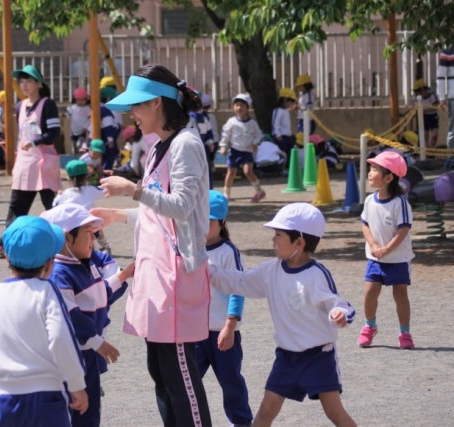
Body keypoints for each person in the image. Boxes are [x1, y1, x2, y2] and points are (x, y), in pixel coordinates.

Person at [94, 64, 213, 427]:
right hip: (156, 275)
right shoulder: (160, 146)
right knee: (160, 373)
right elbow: (156, 215)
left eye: (138, 106)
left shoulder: (185, 145)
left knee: (180, 376)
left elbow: (181, 207)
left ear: (158, 103)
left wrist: (131, 189)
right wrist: (119, 214)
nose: (133, 114)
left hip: (174, 277)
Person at [208, 203, 357, 427]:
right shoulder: (270, 270)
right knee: (266, 411)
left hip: (319, 356)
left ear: (300, 241)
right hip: (286, 358)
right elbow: (238, 282)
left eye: (278, 235)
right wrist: (205, 269)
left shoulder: (316, 275)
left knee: (334, 412)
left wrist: (340, 313)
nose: (273, 240)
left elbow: (339, 304)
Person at [0, 215, 89, 426]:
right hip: (47, 396)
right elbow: (60, 338)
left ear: (7, 257)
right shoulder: (47, 291)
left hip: (4, 398)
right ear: (49, 263)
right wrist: (76, 384)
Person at [40, 203, 132, 427]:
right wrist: (97, 341)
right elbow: (70, 315)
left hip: (87, 353)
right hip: (70, 354)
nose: (93, 239)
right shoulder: (59, 273)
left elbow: (101, 295)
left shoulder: (84, 264)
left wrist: (124, 275)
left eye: (94, 233)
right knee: (73, 411)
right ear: (66, 238)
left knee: (89, 412)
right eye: (88, 234)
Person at [0, 64, 62, 256]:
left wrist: (36, 141)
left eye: (28, 80)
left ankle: (69, 240)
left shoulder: (48, 104)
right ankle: (6, 242)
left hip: (44, 162)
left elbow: (54, 133)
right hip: (24, 163)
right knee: (17, 205)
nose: (24, 84)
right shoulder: (19, 106)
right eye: (21, 81)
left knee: (52, 205)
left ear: (38, 83)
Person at [195, 190, 253, 426]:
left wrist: (230, 325)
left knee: (231, 383)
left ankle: (240, 422)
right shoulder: (191, 250)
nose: (203, 225)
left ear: (222, 222)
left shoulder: (229, 252)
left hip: (222, 333)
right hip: (194, 333)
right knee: (188, 382)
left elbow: (238, 289)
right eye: (199, 218)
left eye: (209, 220)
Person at [357, 151, 415, 350]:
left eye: (375, 170)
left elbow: (404, 229)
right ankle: (369, 326)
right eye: (371, 168)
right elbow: (365, 224)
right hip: (375, 259)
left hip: (398, 259)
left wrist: (388, 249)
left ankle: (405, 332)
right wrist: (374, 245)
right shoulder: (369, 200)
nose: (370, 173)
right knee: (370, 293)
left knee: (400, 295)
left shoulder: (400, 203)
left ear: (389, 178)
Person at [54, 159, 111, 253]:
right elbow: (105, 192)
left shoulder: (66, 193)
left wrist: (58, 195)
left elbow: (56, 205)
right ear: (86, 176)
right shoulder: (91, 189)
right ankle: (105, 246)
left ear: (69, 178)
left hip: (72, 226)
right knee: (97, 225)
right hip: (90, 223)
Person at [219, 93, 265, 202]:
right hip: (235, 151)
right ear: (233, 107)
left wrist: (255, 143)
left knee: (248, 171)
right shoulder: (231, 122)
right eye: (237, 105)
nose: (239, 108)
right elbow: (226, 135)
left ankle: (259, 191)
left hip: (247, 151)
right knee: (231, 172)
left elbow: (259, 134)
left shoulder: (252, 123)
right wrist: (223, 146)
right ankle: (226, 193)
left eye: (242, 105)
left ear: (247, 108)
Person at [188, 98, 215, 188]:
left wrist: (209, 141)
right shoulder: (190, 116)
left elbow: (208, 131)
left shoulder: (203, 117)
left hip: (202, 148)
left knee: (205, 170)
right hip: (192, 148)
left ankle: (208, 190)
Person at [436, 47, 454, 161]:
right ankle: (451, 160)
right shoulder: (447, 53)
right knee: (453, 130)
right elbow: (440, 76)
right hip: (453, 97)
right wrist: (442, 97)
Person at [272, 87, 297, 155]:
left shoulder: (285, 111)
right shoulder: (278, 111)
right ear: (285, 100)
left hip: (287, 137)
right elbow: (276, 123)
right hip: (281, 138)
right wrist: (278, 135)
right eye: (290, 102)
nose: (291, 105)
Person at [201, 94, 220, 181]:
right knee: (209, 161)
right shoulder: (212, 116)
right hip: (215, 141)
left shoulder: (201, 117)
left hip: (206, 142)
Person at [68, 86, 91, 153]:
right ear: (75, 100)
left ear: (86, 100)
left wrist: (86, 127)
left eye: (82, 100)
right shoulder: (72, 108)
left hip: (83, 131)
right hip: (74, 131)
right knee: (74, 146)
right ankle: (75, 155)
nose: (80, 102)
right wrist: (64, 116)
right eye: (78, 100)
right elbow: (68, 115)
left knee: (81, 145)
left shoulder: (87, 108)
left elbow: (90, 119)